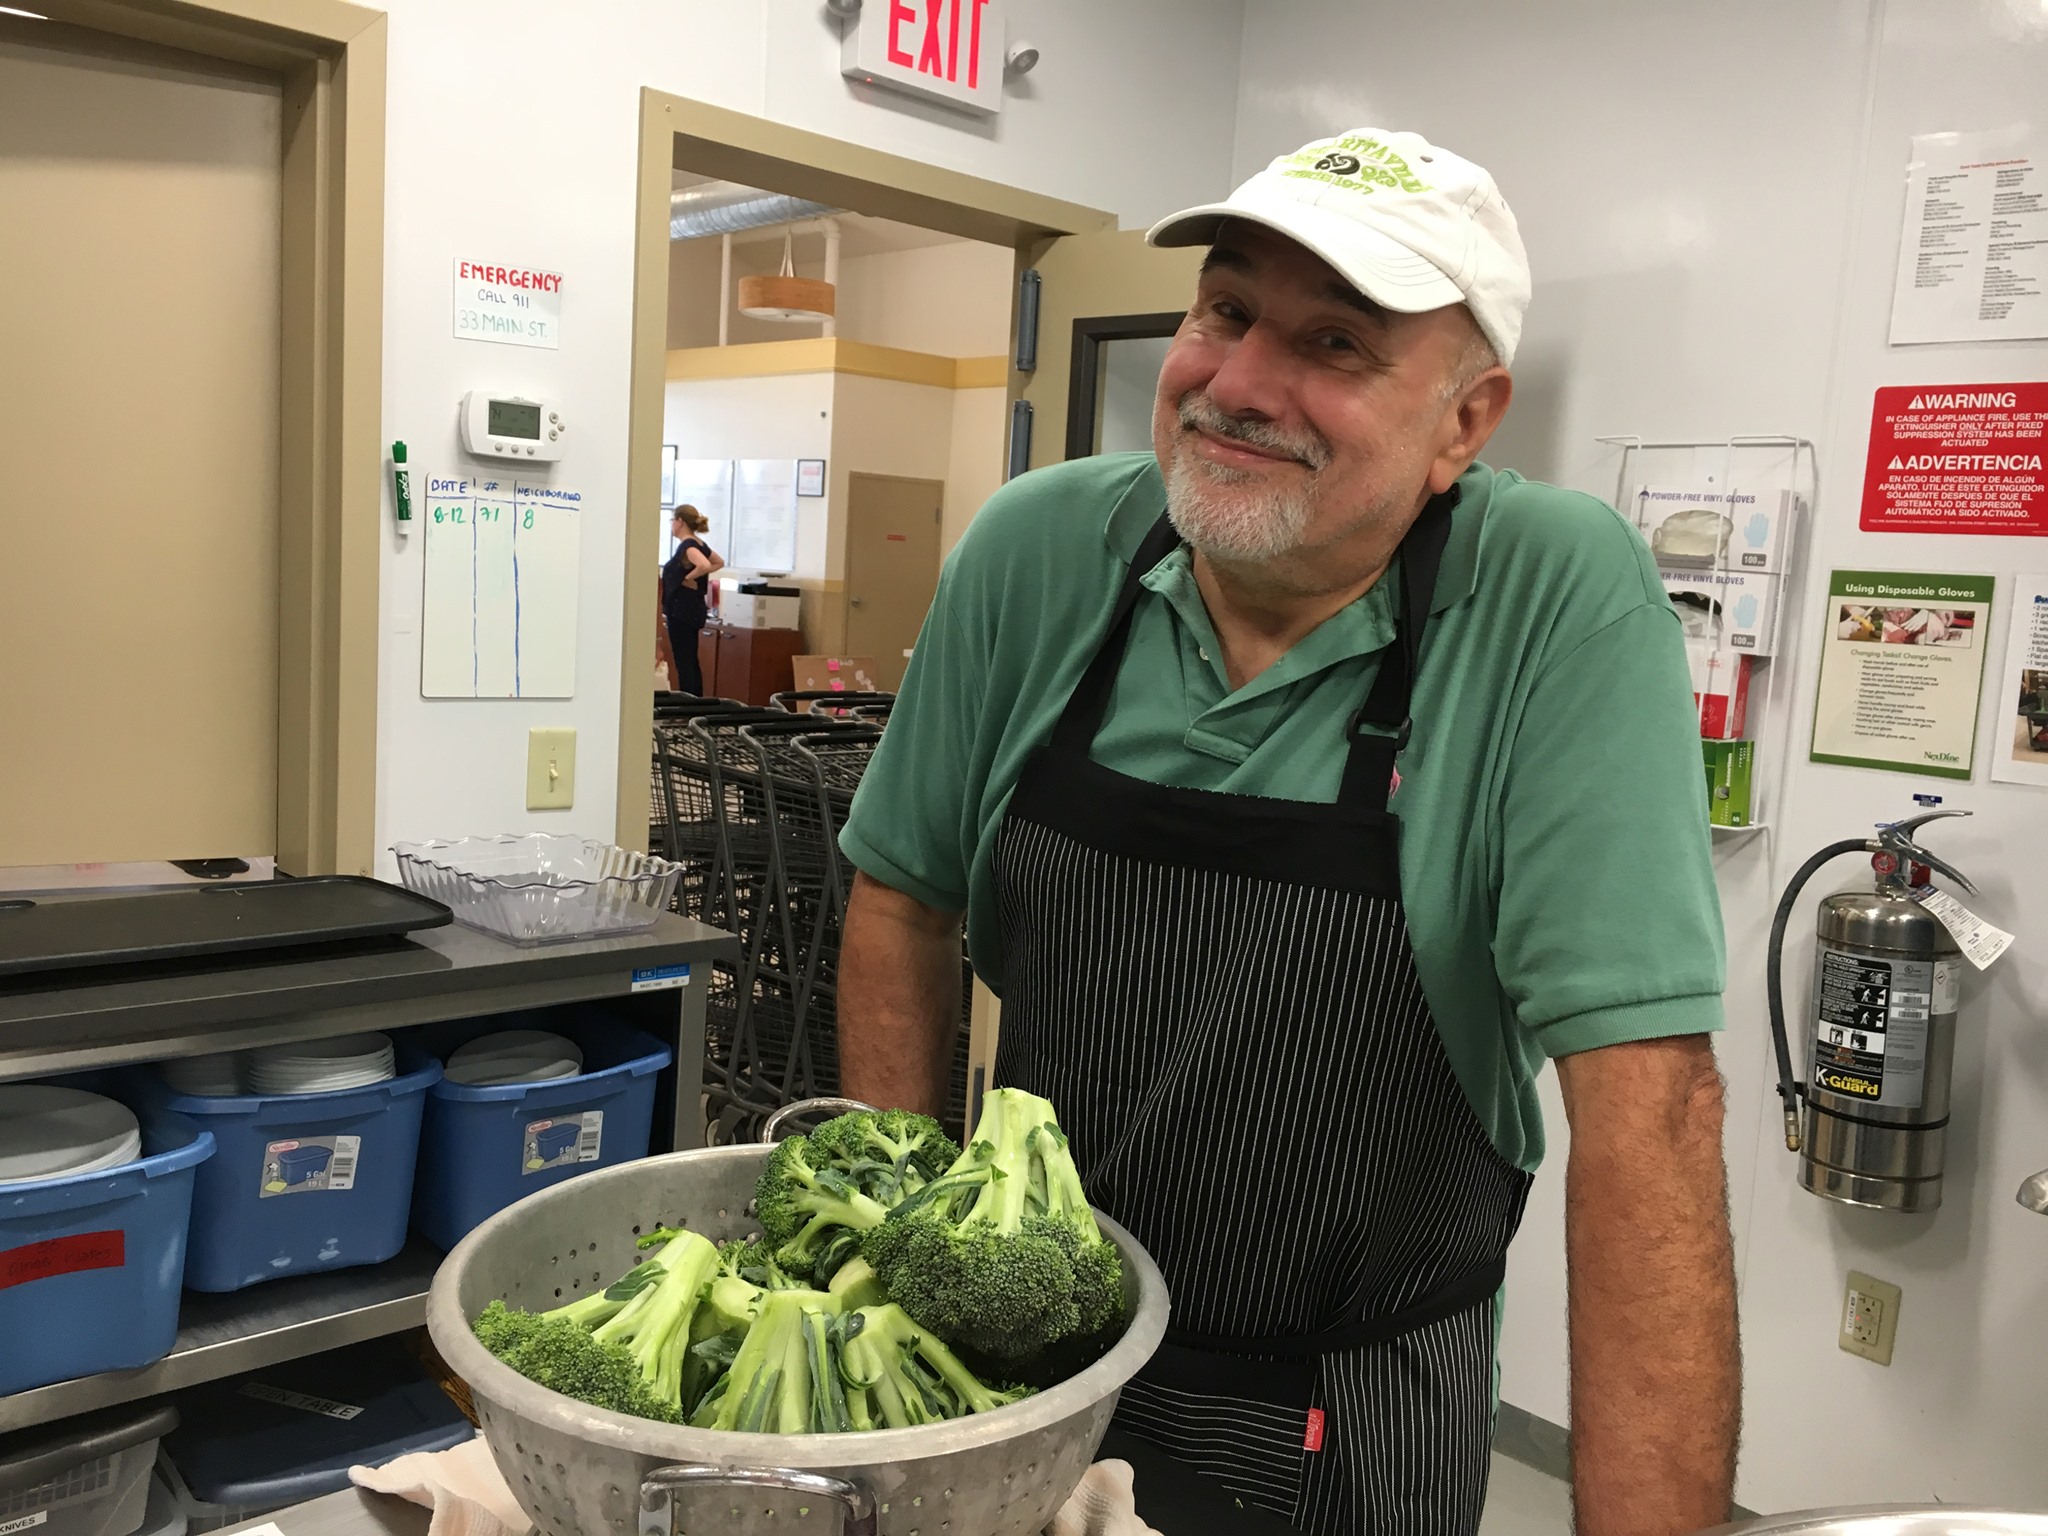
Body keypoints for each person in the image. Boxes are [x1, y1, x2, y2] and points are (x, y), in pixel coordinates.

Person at [835, 129, 1737, 1536]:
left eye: (1335, 343)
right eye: (1228, 309)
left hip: (1347, 1409)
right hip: (1021, 1364)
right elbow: (901, 900)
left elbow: (1650, 1104)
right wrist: (891, 1303)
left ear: (1465, 421)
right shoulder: (1039, 549)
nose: (1238, 384)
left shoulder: (1553, 597)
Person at [662, 505, 723, 695]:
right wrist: (694, 576)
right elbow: (718, 562)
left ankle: (688, 703)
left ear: (680, 522)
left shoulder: (688, 545)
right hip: (692, 609)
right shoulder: (700, 544)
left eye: (673, 520)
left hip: (682, 611)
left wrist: (688, 578)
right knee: (690, 659)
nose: (671, 525)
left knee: (684, 660)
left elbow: (705, 564)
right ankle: (695, 701)